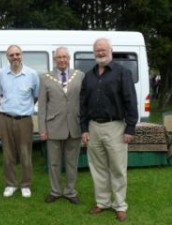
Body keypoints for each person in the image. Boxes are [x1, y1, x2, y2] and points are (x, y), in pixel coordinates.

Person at [80, 38, 138, 222]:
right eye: (97, 50)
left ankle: (120, 205)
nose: (100, 52)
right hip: (93, 127)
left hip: (116, 127)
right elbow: (83, 104)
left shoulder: (123, 73)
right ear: (94, 52)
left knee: (118, 168)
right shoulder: (88, 76)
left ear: (111, 50)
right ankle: (102, 202)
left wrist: (130, 128)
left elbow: (131, 101)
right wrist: (84, 128)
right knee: (98, 168)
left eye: (103, 49)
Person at [38, 47, 84, 204]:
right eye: (59, 57)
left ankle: (70, 192)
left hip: (74, 126)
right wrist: (42, 129)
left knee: (72, 162)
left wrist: (85, 127)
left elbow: (83, 102)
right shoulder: (45, 78)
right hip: (53, 127)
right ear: (54, 59)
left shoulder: (79, 76)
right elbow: (42, 106)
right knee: (54, 162)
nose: (62, 60)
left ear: (69, 58)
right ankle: (55, 191)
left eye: (64, 57)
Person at [0, 45, 40, 198]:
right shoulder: (1, 74)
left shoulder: (32, 74)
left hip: (24, 120)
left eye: (17, 54)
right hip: (5, 118)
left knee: (25, 153)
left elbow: (35, 95)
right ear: (7, 57)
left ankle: (25, 184)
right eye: (11, 55)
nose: (15, 57)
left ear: (22, 55)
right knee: (8, 153)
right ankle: (10, 184)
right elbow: (1, 94)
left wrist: (24, 108)